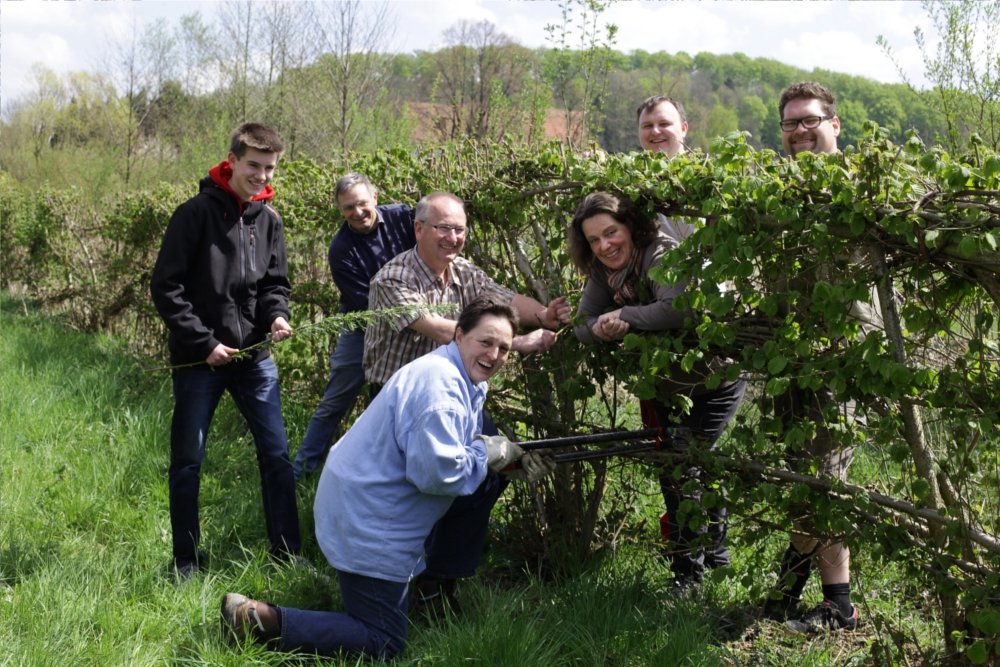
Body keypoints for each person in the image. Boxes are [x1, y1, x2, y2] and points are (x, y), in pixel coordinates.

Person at [220, 298, 555, 659]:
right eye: (485, 342)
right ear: (459, 335)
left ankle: (429, 589)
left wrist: (507, 464)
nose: (494, 354)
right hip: (368, 519)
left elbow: (451, 453)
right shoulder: (440, 390)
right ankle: (256, 618)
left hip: (366, 500)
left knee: (485, 480)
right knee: (385, 642)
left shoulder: (460, 374)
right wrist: (488, 454)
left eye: (504, 348)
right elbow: (438, 474)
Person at [362, 191, 572, 606]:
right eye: (443, 228)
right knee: (416, 485)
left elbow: (505, 300)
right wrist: (513, 341)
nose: (453, 237)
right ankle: (394, 570)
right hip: (401, 401)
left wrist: (544, 314)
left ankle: (439, 579)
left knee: (494, 470)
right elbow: (442, 330)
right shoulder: (392, 278)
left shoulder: (465, 272)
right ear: (419, 229)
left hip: (457, 397)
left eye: (459, 229)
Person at [568, 192, 746, 593]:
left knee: (683, 464)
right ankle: (715, 559)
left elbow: (678, 307)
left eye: (611, 233)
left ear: (630, 226)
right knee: (689, 463)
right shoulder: (604, 271)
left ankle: (689, 574)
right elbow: (582, 322)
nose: (604, 245)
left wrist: (624, 316)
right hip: (669, 383)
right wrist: (599, 328)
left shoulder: (660, 253)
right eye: (594, 240)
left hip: (716, 378)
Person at [150, 122, 301, 578]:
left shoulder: (269, 220)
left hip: (254, 360)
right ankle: (185, 560)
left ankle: (287, 555)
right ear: (231, 161)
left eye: (269, 167)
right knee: (188, 460)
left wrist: (276, 314)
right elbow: (166, 287)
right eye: (253, 165)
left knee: (276, 455)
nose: (260, 175)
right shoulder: (194, 213)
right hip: (200, 361)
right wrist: (206, 341)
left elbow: (276, 283)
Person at [762, 81, 881, 633]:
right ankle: (787, 587)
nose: (801, 131)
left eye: (811, 120)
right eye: (791, 123)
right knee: (802, 474)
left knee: (825, 475)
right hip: (789, 356)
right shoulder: (777, 193)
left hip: (845, 358)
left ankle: (840, 604)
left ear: (835, 124)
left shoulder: (864, 189)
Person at [292, 173, 415, 479]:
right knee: (337, 399)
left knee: (400, 400)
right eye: (348, 208)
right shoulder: (341, 249)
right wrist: (416, 317)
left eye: (362, 203)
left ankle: (390, 473)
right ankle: (302, 472)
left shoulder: (404, 217)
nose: (357, 212)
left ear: (375, 197)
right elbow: (365, 302)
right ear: (340, 209)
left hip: (418, 319)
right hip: (364, 325)